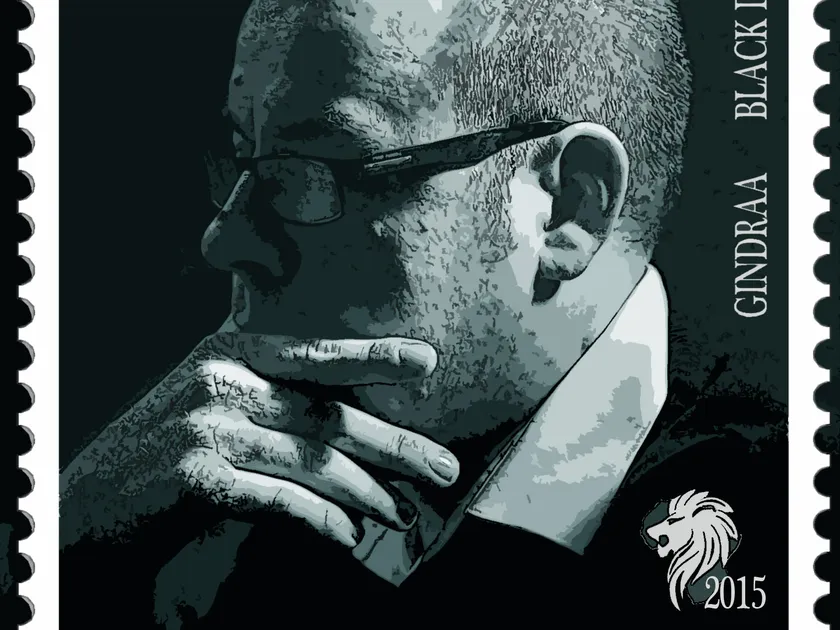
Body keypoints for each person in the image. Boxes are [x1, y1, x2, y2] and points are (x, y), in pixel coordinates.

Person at [59, 1, 787, 627]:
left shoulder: (791, 528)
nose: (225, 239)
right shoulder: (190, 527)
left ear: (568, 210)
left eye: (319, 170)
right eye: (241, 156)